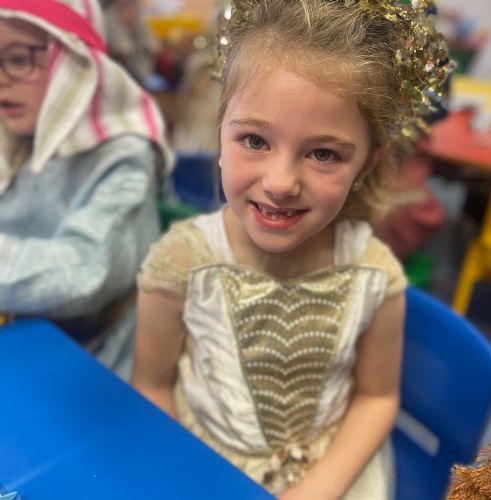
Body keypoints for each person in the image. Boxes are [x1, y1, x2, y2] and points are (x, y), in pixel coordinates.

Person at [131, 0, 452, 497]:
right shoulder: (179, 262)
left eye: (323, 153)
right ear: (220, 129)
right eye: (255, 140)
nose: (281, 183)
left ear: (366, 165)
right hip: (201, 467)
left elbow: (376, 398)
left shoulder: (374, 274)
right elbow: (152, 386)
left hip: (329, 476)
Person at [0, 0, 172, 378]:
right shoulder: (14, 135)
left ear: (71, 65)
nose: (2, 78)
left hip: (92, 364)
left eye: (17, 59)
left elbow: (83, 271)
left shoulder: (123, 156)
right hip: (19, 338)